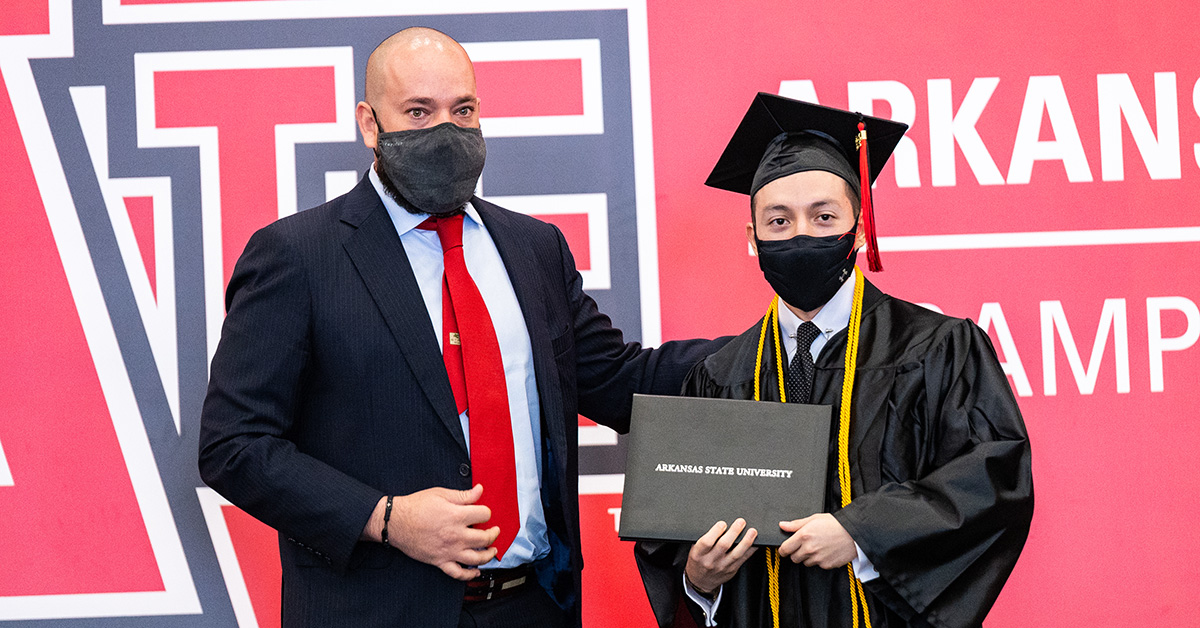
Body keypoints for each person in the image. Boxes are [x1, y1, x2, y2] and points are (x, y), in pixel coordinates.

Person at [198, 27, 722, 628]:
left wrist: (780, 344)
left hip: (534, 607)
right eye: (419, 112)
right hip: (377, 612)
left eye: (463, 110)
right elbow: (231, 446)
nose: (446, 132)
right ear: (370, 124)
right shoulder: (297, 256)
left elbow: (618, 378)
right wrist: (385, 518)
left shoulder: (533, 248)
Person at [634, 93, 1034, 628]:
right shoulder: (720, 375)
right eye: (778, 222)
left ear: (859, 227)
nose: (801, 234)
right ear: (752, 239)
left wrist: (861, 532)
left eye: (824, 217)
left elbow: (994, 481)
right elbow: (675, 537)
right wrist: (698, 580)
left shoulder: (939, 349)